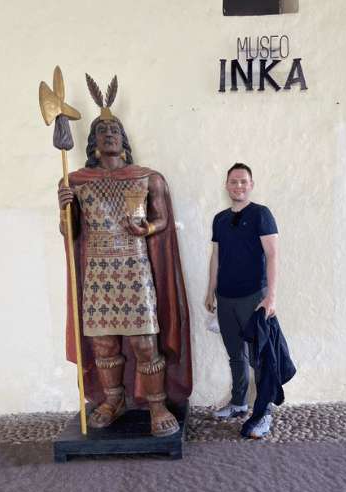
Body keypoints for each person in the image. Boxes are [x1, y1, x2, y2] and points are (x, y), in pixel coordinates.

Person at [57, 74, 192, 437]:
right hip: (98, 269)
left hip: (135, 268)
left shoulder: (148, 178)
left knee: (145, 341)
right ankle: (113, 399)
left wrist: (146, 229)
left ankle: (157, 404)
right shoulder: (76, 181)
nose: (109, 134)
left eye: (114, 130)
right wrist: (63, 208)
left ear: (124, 139)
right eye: (102, 132)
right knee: (103, 343)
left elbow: (162, 220)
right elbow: (70, 233)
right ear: (94, 143)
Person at [206, 163, 279, 438]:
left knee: (260, 359)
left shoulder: (261, 214)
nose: (238, 186)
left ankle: (263, 415)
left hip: (254, 297)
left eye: (243, 182)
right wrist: (210, 290)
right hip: (225, 297)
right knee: (235, 354)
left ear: (251, 185)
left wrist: (270, 296)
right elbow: (216, 256)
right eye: (234, 182)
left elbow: (273, 255)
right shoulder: (220, 219)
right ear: (227, 185)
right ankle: (239, 403)